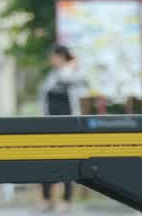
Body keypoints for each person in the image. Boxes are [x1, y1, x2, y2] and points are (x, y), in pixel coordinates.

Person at [37, 45, 89, 212]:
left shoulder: (75, 73)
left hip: (68, 126)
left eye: (54, 57)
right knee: (45, 161)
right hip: (49, 126)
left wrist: (70, 65)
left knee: (67, 162)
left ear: (61, 57)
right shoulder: (50, 76)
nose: (52, 60)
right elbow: (44, 97)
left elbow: (75, 82)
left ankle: (66, 200)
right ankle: (46, 199)